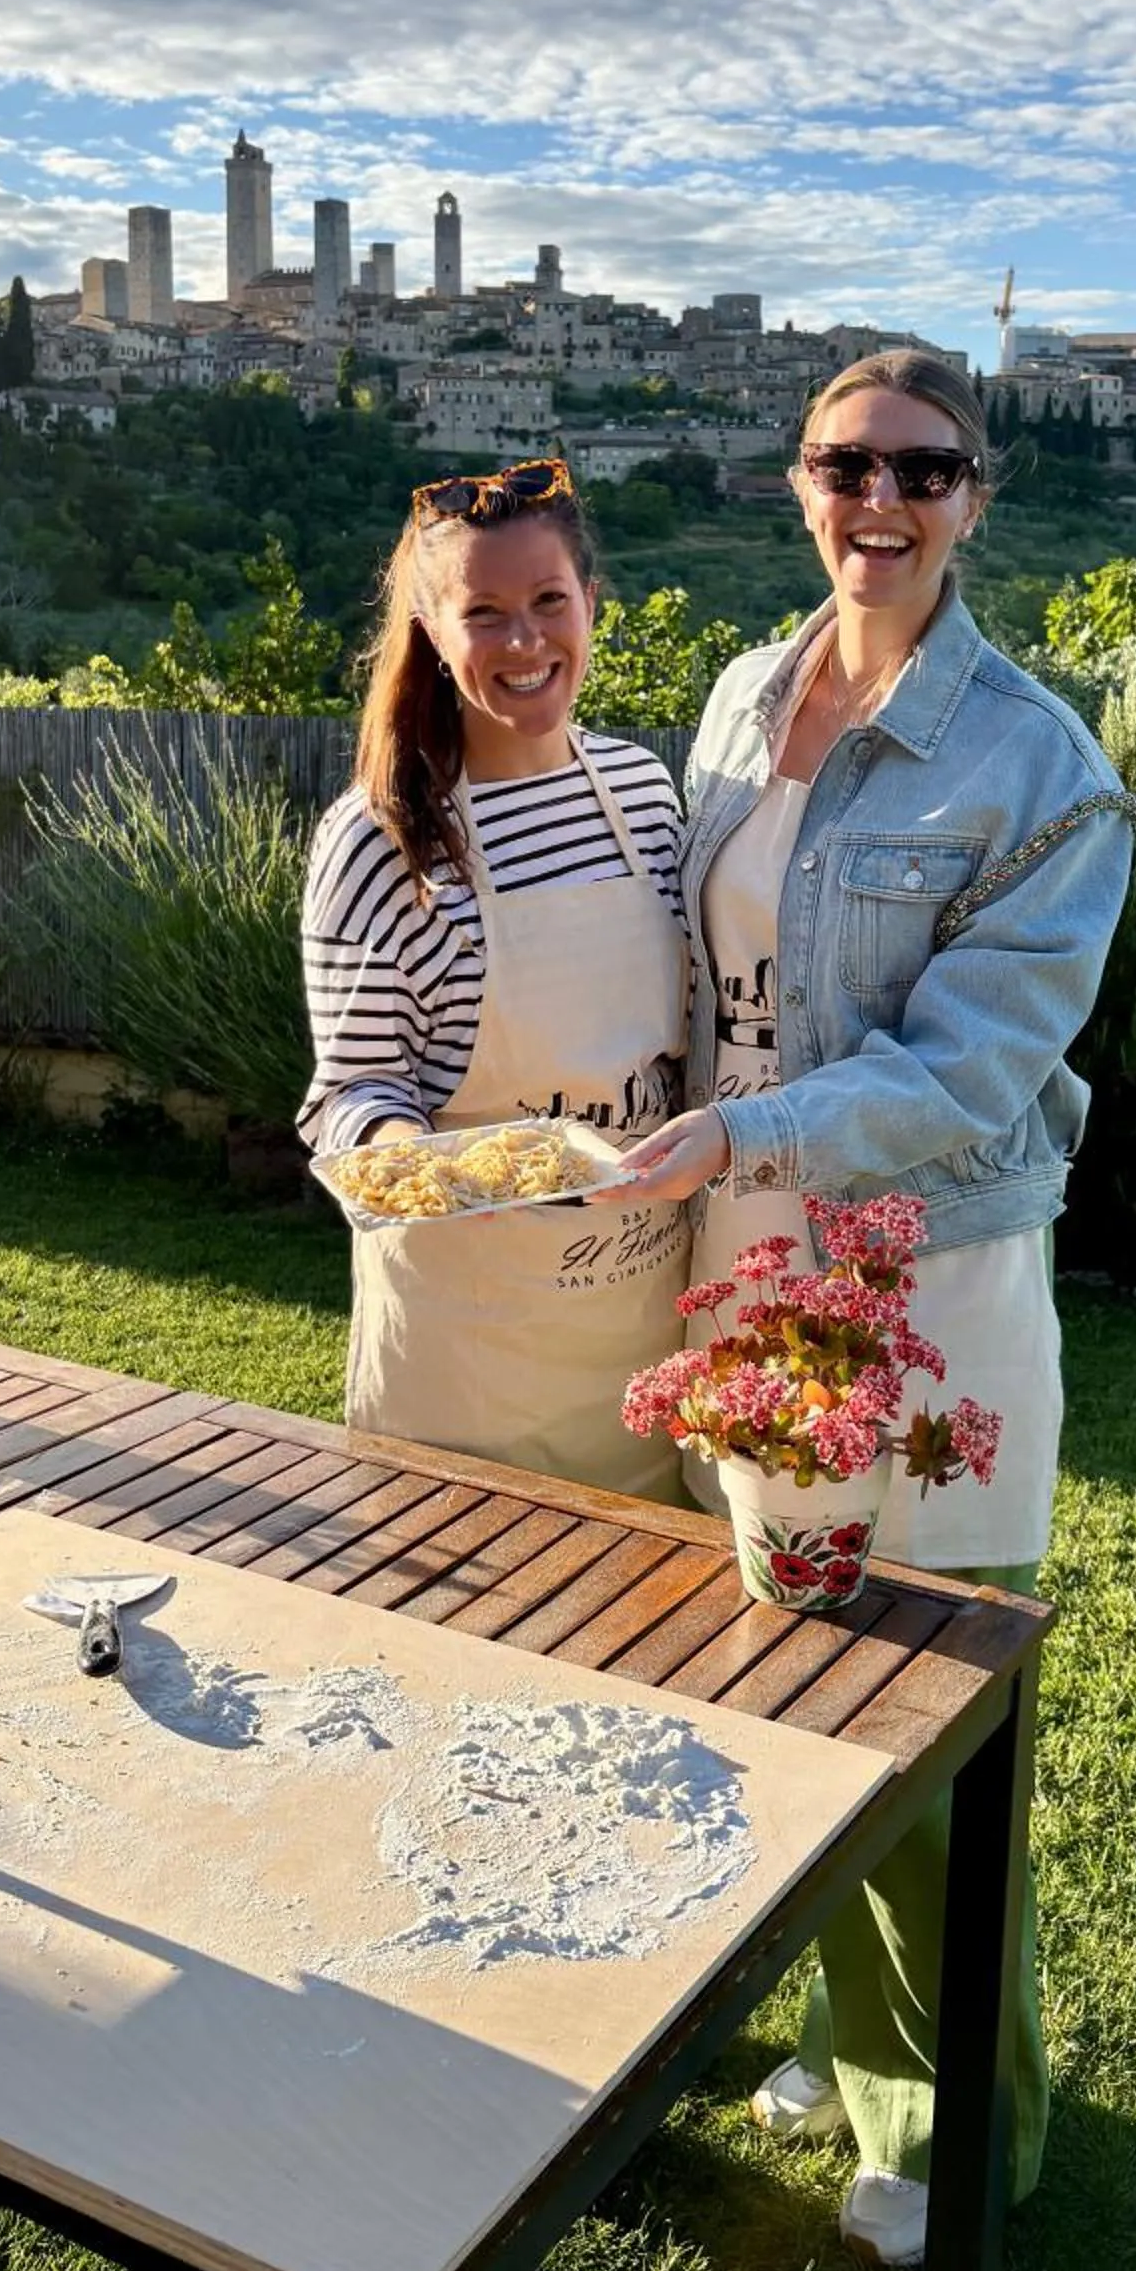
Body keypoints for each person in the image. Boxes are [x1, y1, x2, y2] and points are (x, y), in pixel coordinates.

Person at [614, 351, 1136, 2268]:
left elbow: (972, 1067)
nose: (880, 499)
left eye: (924, 468)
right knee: (780, 1679)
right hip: (729, 1245)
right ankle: (848, 2040)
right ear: (797, 480)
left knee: (918, 1712)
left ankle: (958, 2120)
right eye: (847, 463)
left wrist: (738, 1131)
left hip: (923, 1277)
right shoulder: (747, 695)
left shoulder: (1037, 764)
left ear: (975, 496)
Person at [297, 456, 691, 1497]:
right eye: (483, 613)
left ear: (590, 604)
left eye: (548, 602)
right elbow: (352, 1090)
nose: (524, 642)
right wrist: (419, 1163)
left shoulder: (646, 795)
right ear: (430, 629)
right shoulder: (384, 842)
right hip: (470, 1371)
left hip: (642, 1355)